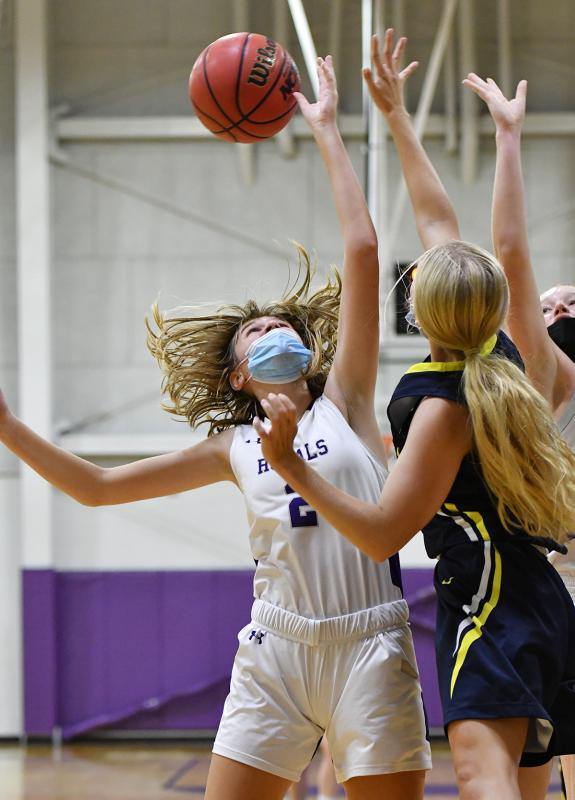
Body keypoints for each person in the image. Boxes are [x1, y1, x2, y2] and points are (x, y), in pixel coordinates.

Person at [0, 58, 431, 799]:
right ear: (238, 376)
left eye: (281, 325)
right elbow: (97, 489)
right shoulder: (230, 447)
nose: (273, 332)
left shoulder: (349, 399)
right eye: (255, 332)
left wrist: (325, 128)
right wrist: (9, 428)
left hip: (370, 637)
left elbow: (362, 252)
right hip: (277, 645)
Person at [254, 42, 575, 800]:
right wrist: (401, 118)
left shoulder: (437, 403)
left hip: (488, 602)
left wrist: (293, 467)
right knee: (529, 787)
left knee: (478, 775)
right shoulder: (499, 358)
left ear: (419, 308)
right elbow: (462, 230)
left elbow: (378, 533)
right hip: (540, 599)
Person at [463, 70, 575, 800]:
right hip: (551, 588)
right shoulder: (539, 385)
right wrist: (506, 137)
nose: (555, 300)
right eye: (542, 306)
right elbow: (508, 251)